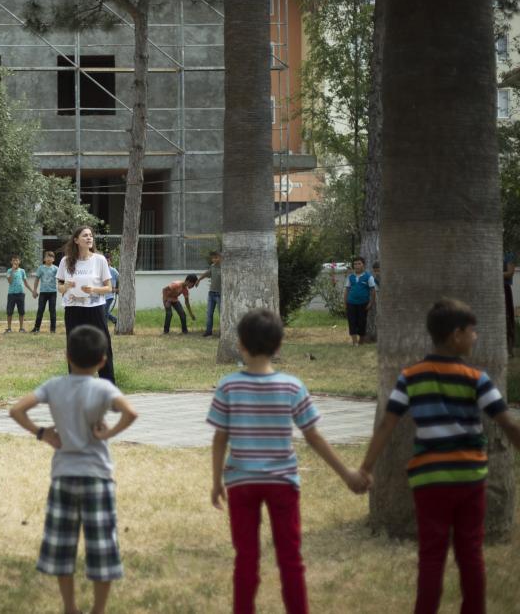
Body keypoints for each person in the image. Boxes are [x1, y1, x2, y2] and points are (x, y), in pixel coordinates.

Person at [358, 299, 520, 614]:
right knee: (470, 553)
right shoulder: (476, 378)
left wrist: (365, 467)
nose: (475, 337)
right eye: (472, 331)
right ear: (455, 334)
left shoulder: (411, 377)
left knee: (431, 556)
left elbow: (387, 424)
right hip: (470, 479)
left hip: (429, 479)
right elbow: (507, 423)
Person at [207, 308, 368, 614]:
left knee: (246, 558)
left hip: (241, 484)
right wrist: (346, 473)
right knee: (290, 558)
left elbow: (219, 439)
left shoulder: (228, 386)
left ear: (240, 344)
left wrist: (216, 482)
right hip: (282, 483)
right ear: (279, 346)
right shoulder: (293, 387)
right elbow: (314, 437)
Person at [9, 326, 138, 614]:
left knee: (62, 546)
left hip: (63, 477)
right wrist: (107, 434)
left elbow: (16, 410)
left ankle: (70, 607)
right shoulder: (104, 387)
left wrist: (42, 433)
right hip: (98, 477)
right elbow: (131, 412)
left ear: (67, 356)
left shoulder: (54, 386)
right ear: (103, 360)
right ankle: (98, 609)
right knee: (102, 547)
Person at [57, 226, 115, 383]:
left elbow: (109, 288)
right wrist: (66, 286)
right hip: (73, 309)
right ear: (76, 240)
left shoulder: (100, 260)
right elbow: (60, 287)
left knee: (103, 345)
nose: (89, 238)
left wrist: (93, 289)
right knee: (75, 347)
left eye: (90, 235)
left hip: (95, 309)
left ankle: (108, 384)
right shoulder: (66, 261)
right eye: (85, 236)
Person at [343, 256, 376, 346]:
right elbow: (347, 290)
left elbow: (373, 291)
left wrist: (371, 303)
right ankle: (354, 342)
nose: (357, 266)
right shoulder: (350, 277)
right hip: (351, 303)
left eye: (359, 263)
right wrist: (345, 302)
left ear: (363, 265)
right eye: (355, 264)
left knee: (362, 322)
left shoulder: (368, 277)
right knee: (352, 321)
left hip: (363, 304)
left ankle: (361, 341)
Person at [30, 251, 59, 334]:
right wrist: (34, 290)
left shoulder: (56, 269)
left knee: (52, 311)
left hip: (53, 292)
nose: (49, 258)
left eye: (51, 257)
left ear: (53, 259)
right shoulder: (41, 268)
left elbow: (60, 279)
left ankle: (53, 329)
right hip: (43, 292)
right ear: (44, 259)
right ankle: (36, 328)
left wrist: (63, 289)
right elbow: (37, 279)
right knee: (40, 310)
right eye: (47, 256)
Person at [196, 251, 222, 338]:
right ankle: (208, 331)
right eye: (213, 258)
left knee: (221, 314)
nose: (214, 259)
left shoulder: (224, 268)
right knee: (209, 313)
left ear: (220, 258)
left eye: (216, 257)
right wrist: (199, 279)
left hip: (220, 295)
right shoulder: (212, 266)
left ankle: (222, 332)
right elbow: (207, 273)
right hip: (211, 294)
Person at [4, 255, 31, 333]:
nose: (15, 262)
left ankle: (21, 328)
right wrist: (12, 270)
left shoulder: (22, 271)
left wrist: (32, 291)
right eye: (13, 260)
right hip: (11, 294)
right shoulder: (9, 271)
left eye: (17, 260)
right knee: (9, 311)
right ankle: (9, 328)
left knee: (21, 311)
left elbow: (25, 283)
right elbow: (10, 281)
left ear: (19, 261)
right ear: (11, 262)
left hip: (21, 293)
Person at [103, 252, 119, 326]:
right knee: (103, 311)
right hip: (102, 296)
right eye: (105, 261)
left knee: (104, 312)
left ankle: (104, 327)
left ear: (110, 261)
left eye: (108, 260)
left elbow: (120, 280)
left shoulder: (113, 271)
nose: (106, 262)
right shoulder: (101, 271)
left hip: (109, 296)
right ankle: (115, 320)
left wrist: (117, 289)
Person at [504, 253, 515, 356]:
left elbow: (510, 273)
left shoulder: (509, 253)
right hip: (490, 288)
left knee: (507, 318)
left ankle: (509, 349)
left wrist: (492, 272)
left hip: (504, 288)